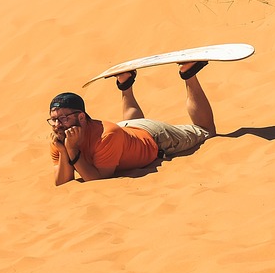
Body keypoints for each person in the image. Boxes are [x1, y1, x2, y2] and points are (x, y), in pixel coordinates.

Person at [48, 61, 216, 185]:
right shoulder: (60, 137)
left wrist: (72, 149)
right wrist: (64, 151)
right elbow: (62, 182)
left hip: (154, 137)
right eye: (53, 119)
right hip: (126, 130)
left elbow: (97, 179)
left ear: (82, 118)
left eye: (64, 118)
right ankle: (125, 83)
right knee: (130, 126)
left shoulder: (106, 135)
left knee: (205, 131)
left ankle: (189, 74)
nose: (57, 125)